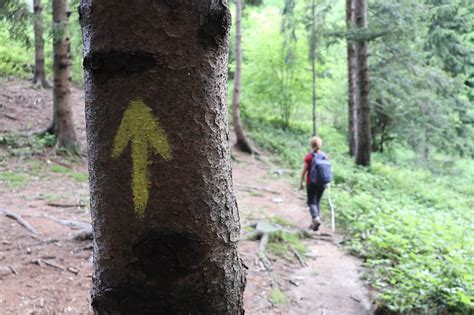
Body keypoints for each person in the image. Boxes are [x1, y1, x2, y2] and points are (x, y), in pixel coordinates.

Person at [300, 136, 328, 231]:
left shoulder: (309, 157)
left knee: (311, 201)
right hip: (322, 183)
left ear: (311, 145)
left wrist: (302, 182)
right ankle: (315, 224)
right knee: (318, 201)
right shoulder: (324, 156)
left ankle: (315, 218)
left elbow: (304, 171)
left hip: (311, 182)